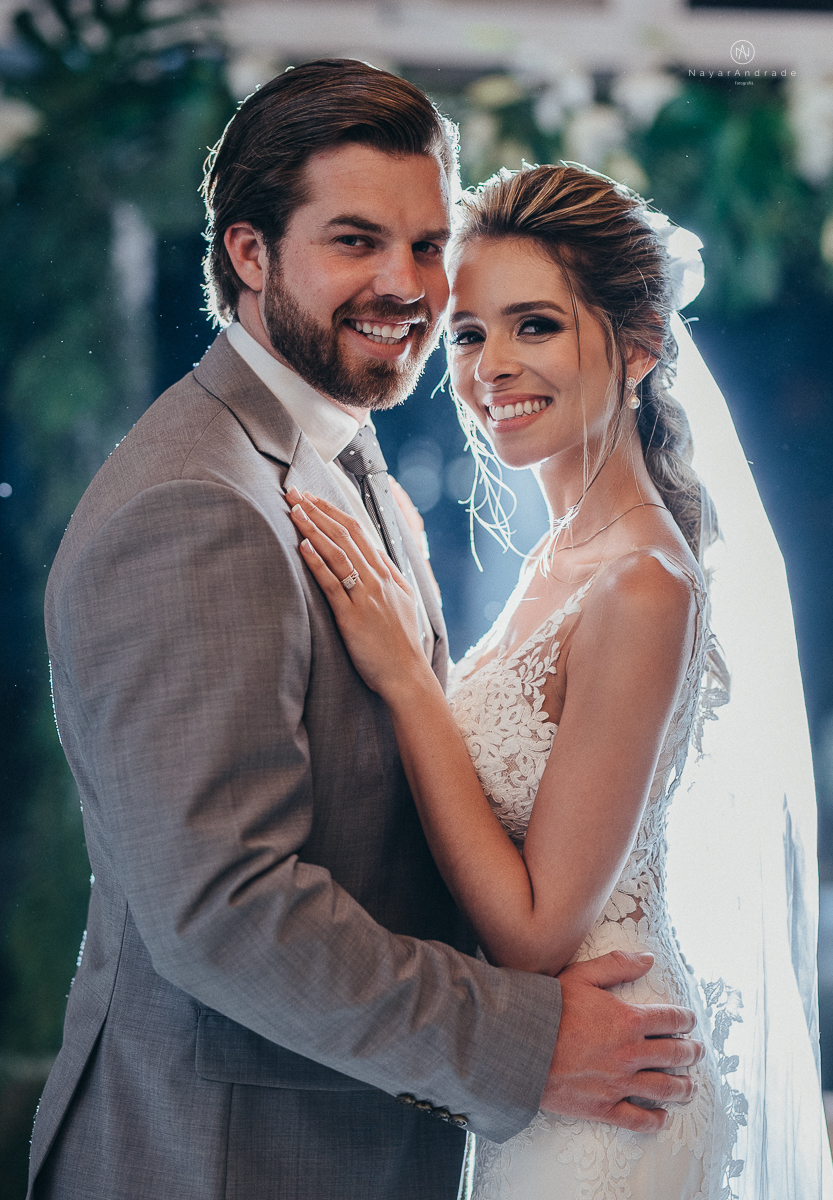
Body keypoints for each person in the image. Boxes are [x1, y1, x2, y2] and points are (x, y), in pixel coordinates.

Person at [27, 65, 703, 1200]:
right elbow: (224, 911)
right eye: (355, 241)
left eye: (427, 245)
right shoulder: (193, 503)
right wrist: (524, 1041)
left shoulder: (357, 474)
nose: (407, 288)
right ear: (248, 256)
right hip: (226, 1164)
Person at [289, 162, 833, 1198]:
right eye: (466, 333)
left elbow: (535, 932)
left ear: (637, 350)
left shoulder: (640, 583)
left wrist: (409, 682)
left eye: (532, 325)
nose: (489, 366)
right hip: (540, 1079)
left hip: (605, 1101)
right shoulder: (559, 558)